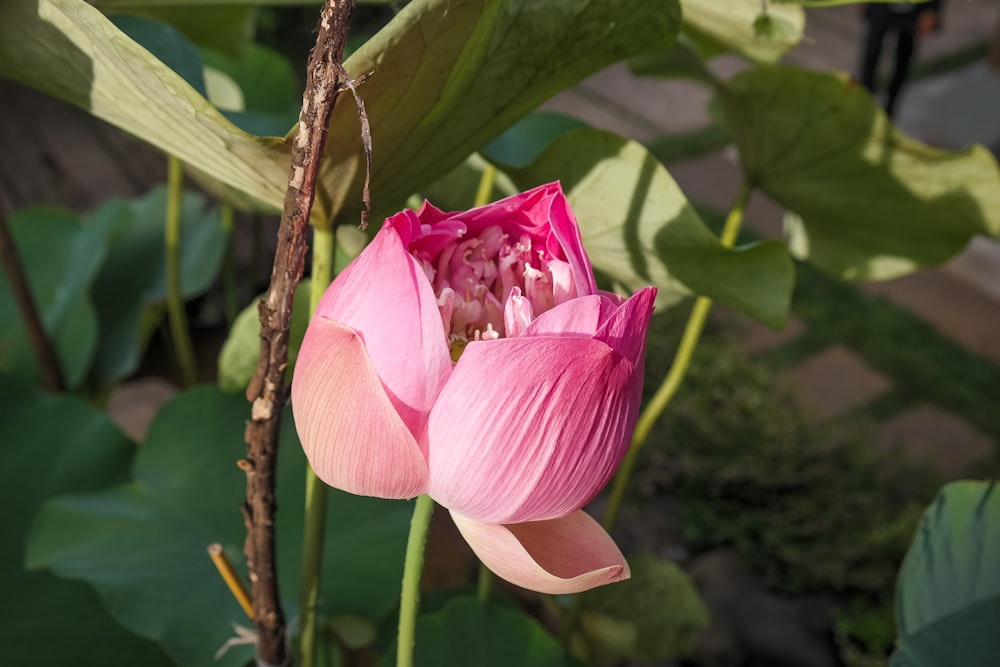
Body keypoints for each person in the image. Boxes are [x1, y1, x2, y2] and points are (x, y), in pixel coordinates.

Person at [859, 1, 944, 118]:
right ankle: (863, 103)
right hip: (882, 7)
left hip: (913, 10)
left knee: (903, 55)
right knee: (872, 50)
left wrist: (933, 9)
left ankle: (890, 108)